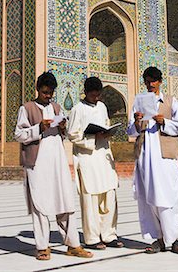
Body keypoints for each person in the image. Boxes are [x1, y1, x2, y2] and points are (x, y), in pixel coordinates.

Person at [14, 71, 93, 261]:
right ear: (38, 90)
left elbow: (62, 135)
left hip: (57, 162)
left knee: (64, 201)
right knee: (39, 204)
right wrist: (38, 128)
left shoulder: (57, 108)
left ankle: (73, 244)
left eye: (50, 93)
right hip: (37, 163)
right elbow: (19, 134)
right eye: (44, 92)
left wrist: (63, 127)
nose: (48, 96)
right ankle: (42, 246)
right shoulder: (27, 108)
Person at [127, 66, 178, 254]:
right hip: (145, 156)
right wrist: (136, 122)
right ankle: (158, 239)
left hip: (165, 157)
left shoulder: (170, 101)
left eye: (153, 80)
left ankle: (173, 238)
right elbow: (130, 131)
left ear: (160, 81)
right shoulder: (139, 102)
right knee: (149, 198)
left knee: (168, 196)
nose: (150, 84)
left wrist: (164, 122)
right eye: (147, 81)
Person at [67, 77, 124, 250]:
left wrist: (106, 133)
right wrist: (92, 138)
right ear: (86, 93)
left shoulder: (102, 107)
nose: (96, 98)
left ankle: (109, 235)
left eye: (98, 95)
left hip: (104, 157)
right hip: (88, 159)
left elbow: (105, 124)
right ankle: (91, 238)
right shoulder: (78, 109)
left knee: (109, 196)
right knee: (90, 200)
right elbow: (72, 134)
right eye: (93, 95)